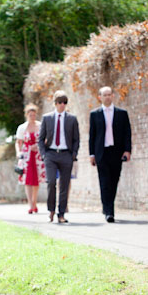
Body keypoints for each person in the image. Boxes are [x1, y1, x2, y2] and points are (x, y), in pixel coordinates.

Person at [89, 86, 132, 223]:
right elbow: (92, 135)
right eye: (104, 95)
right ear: (100, 97)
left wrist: (127, 150)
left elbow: (127, 133)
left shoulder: (122, 113)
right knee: (104, 182)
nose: (107, 97)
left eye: (109, 94)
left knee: (114, 181)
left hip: (116, 152)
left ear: (113, 96)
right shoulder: (94, 114)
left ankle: (107, 207)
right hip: (101, 152)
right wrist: (91, 154)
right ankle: (109, 211)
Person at [38, 90, 80, 224]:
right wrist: (44, 154)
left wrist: (73, 154)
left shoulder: (72, 119)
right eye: (60, 102)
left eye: (65, 103)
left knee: (64, 185)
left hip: (66, 154)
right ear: (55, 103)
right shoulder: (47, 118)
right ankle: (51, 210)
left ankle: (61, 214)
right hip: (50, 154)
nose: (62, 105)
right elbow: (41, 139)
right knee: (51, 182)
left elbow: (76, 139)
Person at [16, 103, 46, 214]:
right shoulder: (22, 128)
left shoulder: (40, 125)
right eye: (30, 115)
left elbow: (45, 140)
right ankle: (30, 204)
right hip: (26, 156)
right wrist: (18, 152)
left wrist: (38, 146)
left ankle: (34, 201)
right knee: (27, 180)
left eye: (34, 115)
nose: (32, 117)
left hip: (37, 155)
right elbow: (18, 142)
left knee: (36, 180)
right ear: (26, 115)